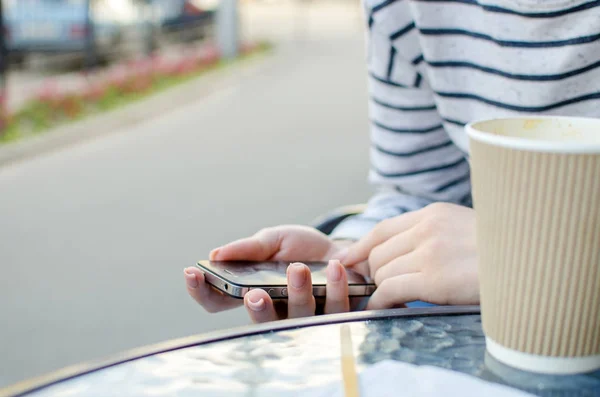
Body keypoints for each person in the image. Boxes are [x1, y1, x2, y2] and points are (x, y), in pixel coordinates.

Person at [184, 0, 600, 323]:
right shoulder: (403, 8)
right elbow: (418, 193)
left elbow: (480, 245)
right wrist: (354, 258)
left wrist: (525, 258)